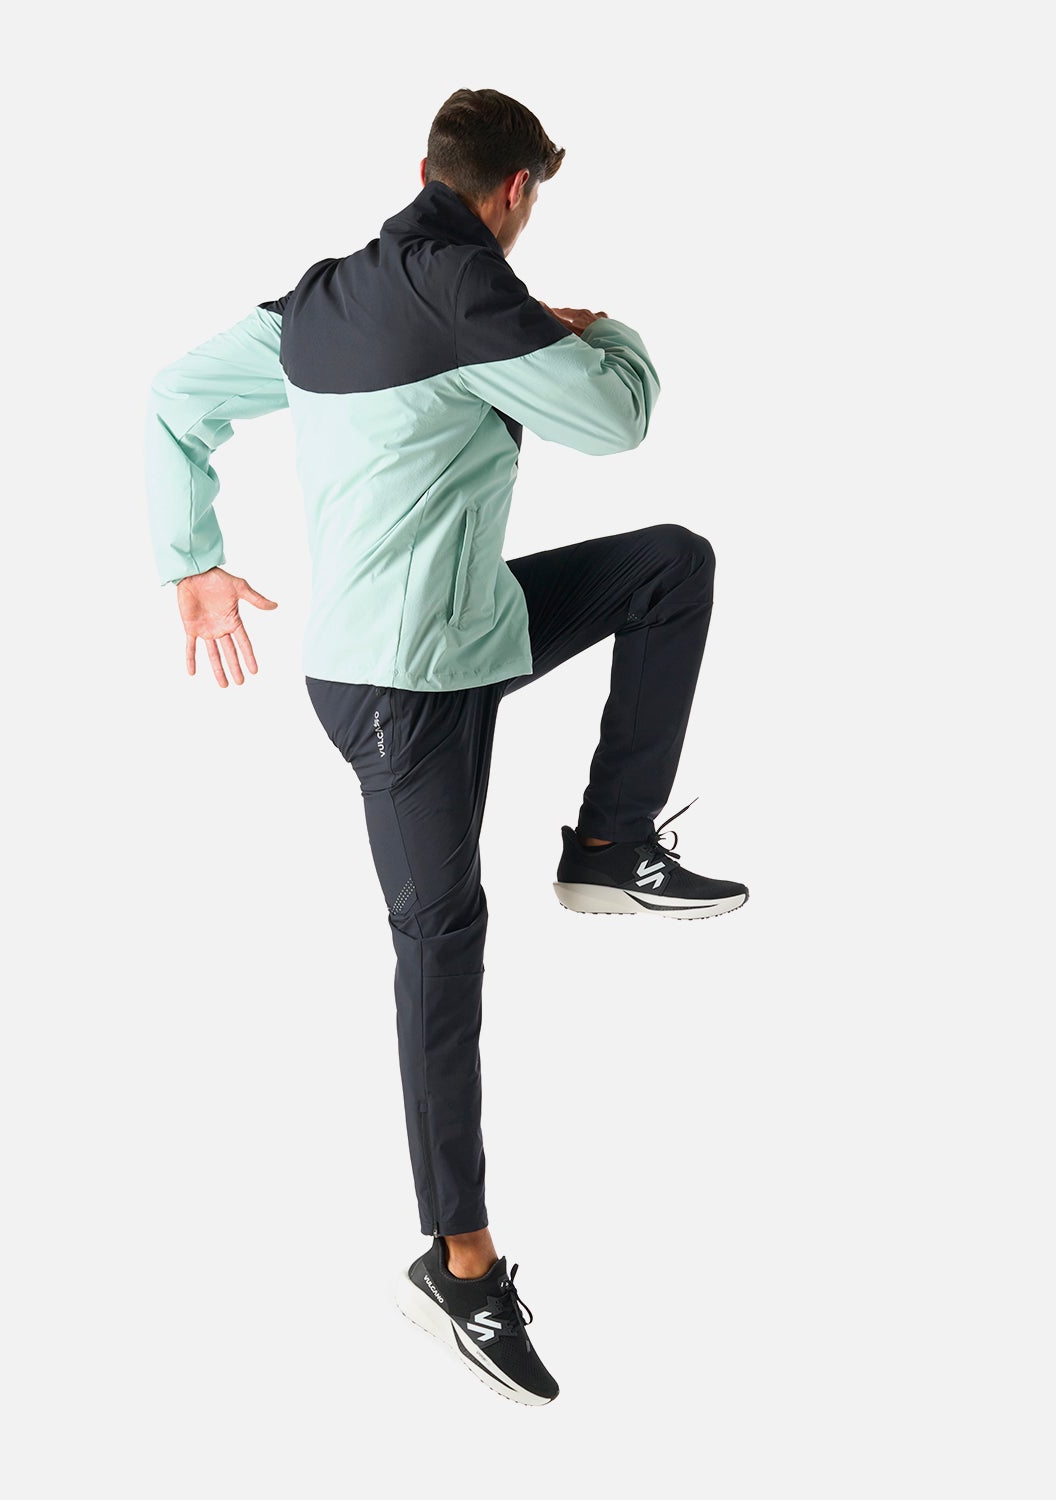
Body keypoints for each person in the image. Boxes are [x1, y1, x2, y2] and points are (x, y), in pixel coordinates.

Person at [144, 87, 748, 1406]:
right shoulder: (477, 296)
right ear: (518, 189)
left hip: (462, 635)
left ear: (427, 167)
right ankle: (458, 1268)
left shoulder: (323, 298)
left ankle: (610, 847)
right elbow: (617, 418)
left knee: (669, 567)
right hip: (400, 691)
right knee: (441, 942)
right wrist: (600, 328)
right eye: (535, 197)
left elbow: (175, 398)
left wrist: (191, 560)